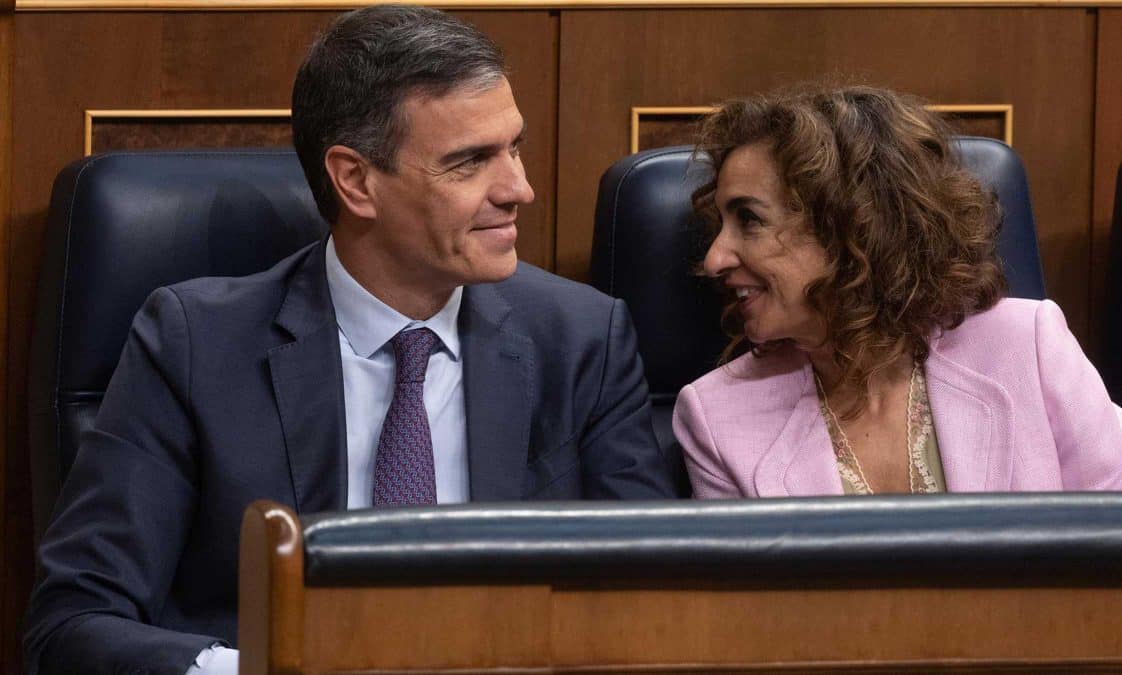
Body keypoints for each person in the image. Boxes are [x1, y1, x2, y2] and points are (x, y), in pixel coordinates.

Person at [26, 6, 679, 674]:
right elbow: (73, 622)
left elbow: (656, 604)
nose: (520, 188)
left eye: (513, 147)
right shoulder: (194, 345)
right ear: (355, 180)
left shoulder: (582, 339)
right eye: (470, 162)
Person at [673, 85, 1122, 499]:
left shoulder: (1028, 346)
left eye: (750, 220)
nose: (714, 259)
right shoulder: (716, 418)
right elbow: (744, 586)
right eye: (721, 225)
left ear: (853, 226)